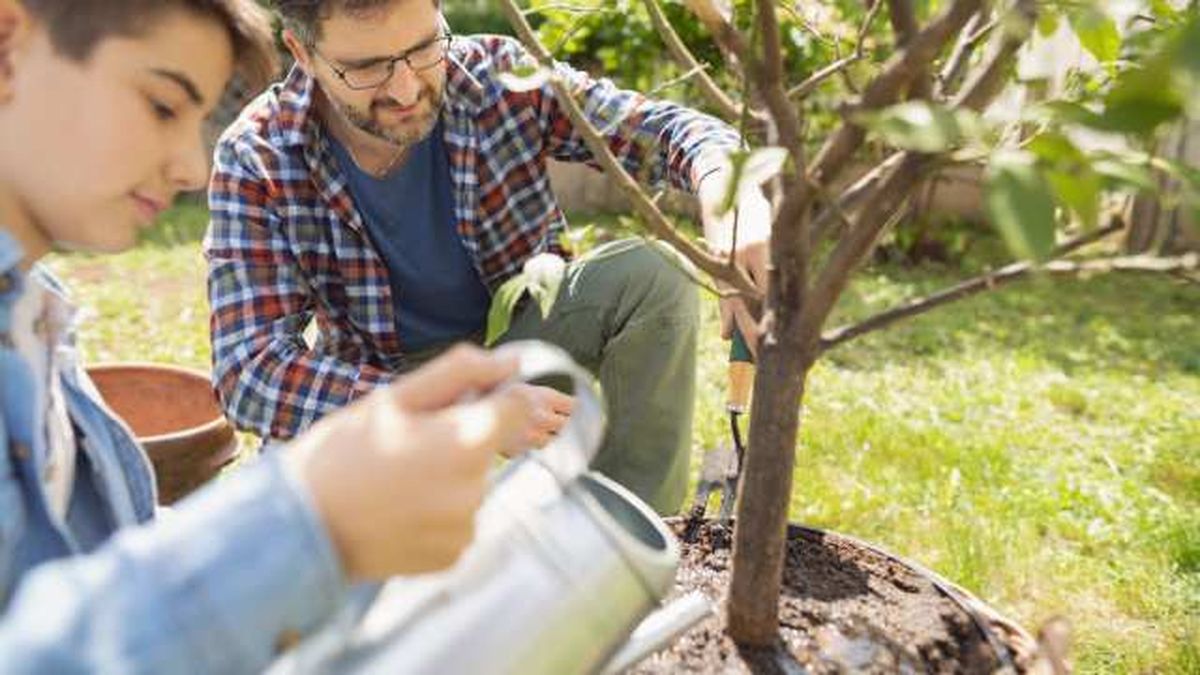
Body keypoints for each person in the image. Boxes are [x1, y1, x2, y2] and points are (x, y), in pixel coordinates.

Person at [0, 0, 537, 671]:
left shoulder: (34, 322)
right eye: (163, 105)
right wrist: (303, 519)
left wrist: (340, 550)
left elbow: (88, 569)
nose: (193, 168)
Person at [206, 0, 772, 514]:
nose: (405, 90)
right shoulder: (259, 156)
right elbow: (250, 373)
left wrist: (731, 189)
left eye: (423, 48)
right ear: (303, 53)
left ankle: (632, 529)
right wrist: (459, 411)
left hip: (522, 335)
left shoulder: (499, 76)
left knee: (651, 277)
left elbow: (667, 131)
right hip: (384, 379)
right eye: (367, 67)